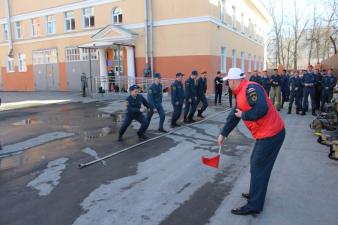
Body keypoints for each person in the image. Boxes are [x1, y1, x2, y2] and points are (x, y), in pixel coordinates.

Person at [217, 68, 285, 215]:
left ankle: (254, 204)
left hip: (272, 133)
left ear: (233, 81)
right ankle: (256, 193)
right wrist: (224, 134)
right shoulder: (240, 92)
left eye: (228, 81)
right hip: (265, 133)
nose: (227, 84)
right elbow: (234, 115)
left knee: (259, 167)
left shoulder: (251, 89)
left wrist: (244, 114)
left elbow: (262, 109)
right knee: (256, 164)